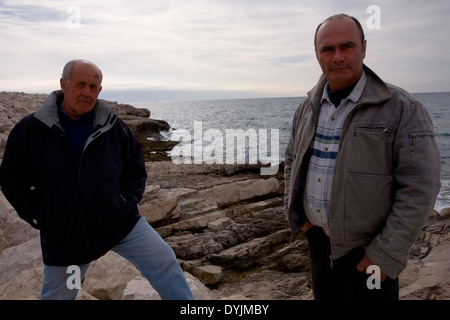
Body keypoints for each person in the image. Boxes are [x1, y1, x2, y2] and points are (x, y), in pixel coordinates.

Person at [0, 59, 194, 300]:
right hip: (66, 236)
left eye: (94, 86)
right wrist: (40, 215)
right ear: (64, 84)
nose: (87, 92)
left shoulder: (113, 126)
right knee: (59, 295)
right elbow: (10, 179)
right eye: (81, 84)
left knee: (164, 262)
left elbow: (135, 168)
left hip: (118, 223)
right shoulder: (32, 130)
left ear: (99, 90)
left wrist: (126, 203)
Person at [284, 14, 441, 300]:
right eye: (327, 49)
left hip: (369, 253)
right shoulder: (306, 108)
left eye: (347, 46)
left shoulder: (402, 108)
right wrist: (295, 212)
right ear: (317, 54)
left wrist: (386, 253)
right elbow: (292, 160)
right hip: (319, 245)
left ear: (364, 48)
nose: (338, 57)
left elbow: (420, 186)